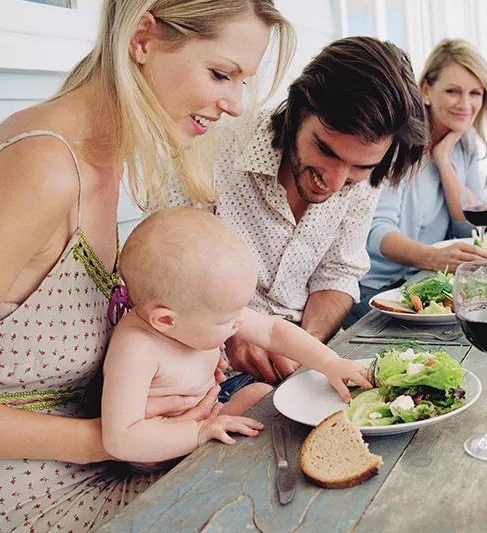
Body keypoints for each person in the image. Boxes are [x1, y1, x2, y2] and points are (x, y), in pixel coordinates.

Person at [0, 0, 293, 529]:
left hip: (105, 464)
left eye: (241, 82)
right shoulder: (41, 166)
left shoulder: (103, 157)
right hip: (29, 497)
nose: (234, 103)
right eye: (221, 73)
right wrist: (103, 439)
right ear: (142, 38)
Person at [169, 36, 427, 384]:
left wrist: (303, 346)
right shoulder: (211, 147)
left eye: (359, 168)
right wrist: (231, 333)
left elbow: (338, 273)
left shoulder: (367, 176)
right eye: (327, 151)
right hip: (206, 374)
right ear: (299, 109)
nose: (335, 183)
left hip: (307, 364)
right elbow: (170, 274)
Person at [102, 207, 370, 469]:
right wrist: (198, 432)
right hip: (159, 447)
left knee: (265, 397)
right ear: (165, 320)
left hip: (212, 410)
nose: (240, 323)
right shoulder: (136, 349)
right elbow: (121, 439)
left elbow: (272, 331)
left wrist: (329, 362)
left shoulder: (195, 312)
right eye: (226, 320)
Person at [346, 39, 487, 327]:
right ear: (425, 90)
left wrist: (443, 158)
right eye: (453, 91)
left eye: (475, 93)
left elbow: (468, 226)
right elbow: (375, 233)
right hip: (378, 290)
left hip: (426, 284)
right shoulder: (397, 142)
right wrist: (432, 258)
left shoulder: (465, 144)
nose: (466, 104)